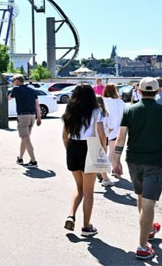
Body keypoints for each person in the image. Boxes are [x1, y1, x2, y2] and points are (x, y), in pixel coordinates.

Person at [112, 77, 162, 260]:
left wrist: (116, 161)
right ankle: (143, 246)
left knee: (141, 196)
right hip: (155, 161)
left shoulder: (129, 110)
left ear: (140, 92)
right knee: (149, 202)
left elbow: (121, 139)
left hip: (133, 160)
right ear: (158, 91)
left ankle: (149, 228)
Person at [62, 84, 107, 237]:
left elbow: (64, 136)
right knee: (88, 191)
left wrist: (69, 149)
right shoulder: (96, 111)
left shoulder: (69, 111)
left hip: (73, 147)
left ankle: (71, 215)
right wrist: (103, 151)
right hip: (90, 147)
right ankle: (86, 226)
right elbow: (101, 134)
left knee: (79, 186)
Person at [8, 74, 42, 168]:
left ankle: (33, 161)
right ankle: (20, 158)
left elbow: (9, 98)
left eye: (13, 80)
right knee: (25, 138)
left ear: (17, 81)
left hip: (23, 116)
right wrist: (39, 118)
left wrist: (11, 90)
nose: (12, 82)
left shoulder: (16, 89)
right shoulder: (32, 90)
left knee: (26, 138)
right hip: (32, 116)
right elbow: (37, 105)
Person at [100, 84, 126, 187]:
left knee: (102, 151)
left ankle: (103, 169)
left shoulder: (102, 101)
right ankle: (109, 169)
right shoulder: (120, 102)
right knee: (112, 152)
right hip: (116, 130)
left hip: (102, 130)